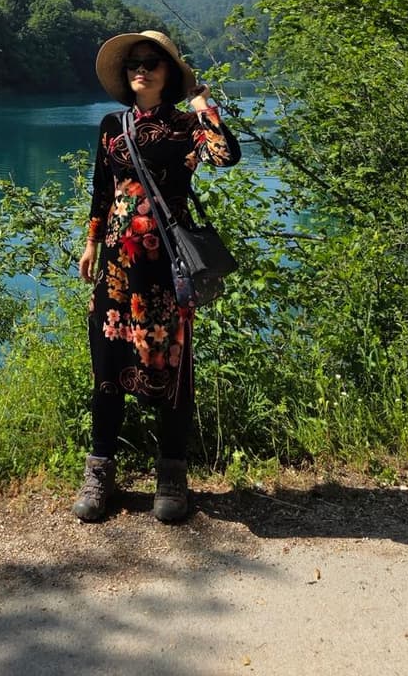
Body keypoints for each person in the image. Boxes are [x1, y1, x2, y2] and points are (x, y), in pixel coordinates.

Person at [73, 29, 241, 523]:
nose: (140, 69)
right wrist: (91, 241)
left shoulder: (187, 127)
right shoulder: (111, 125)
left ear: (169, 72)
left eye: (152, 62)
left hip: (167, 271)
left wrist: (202, 102)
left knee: (171, 372)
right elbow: (102, 188)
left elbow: (225, 156)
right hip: (117, 272)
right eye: (133, 64)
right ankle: (100, 471)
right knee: (105, 369)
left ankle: (171, 474)